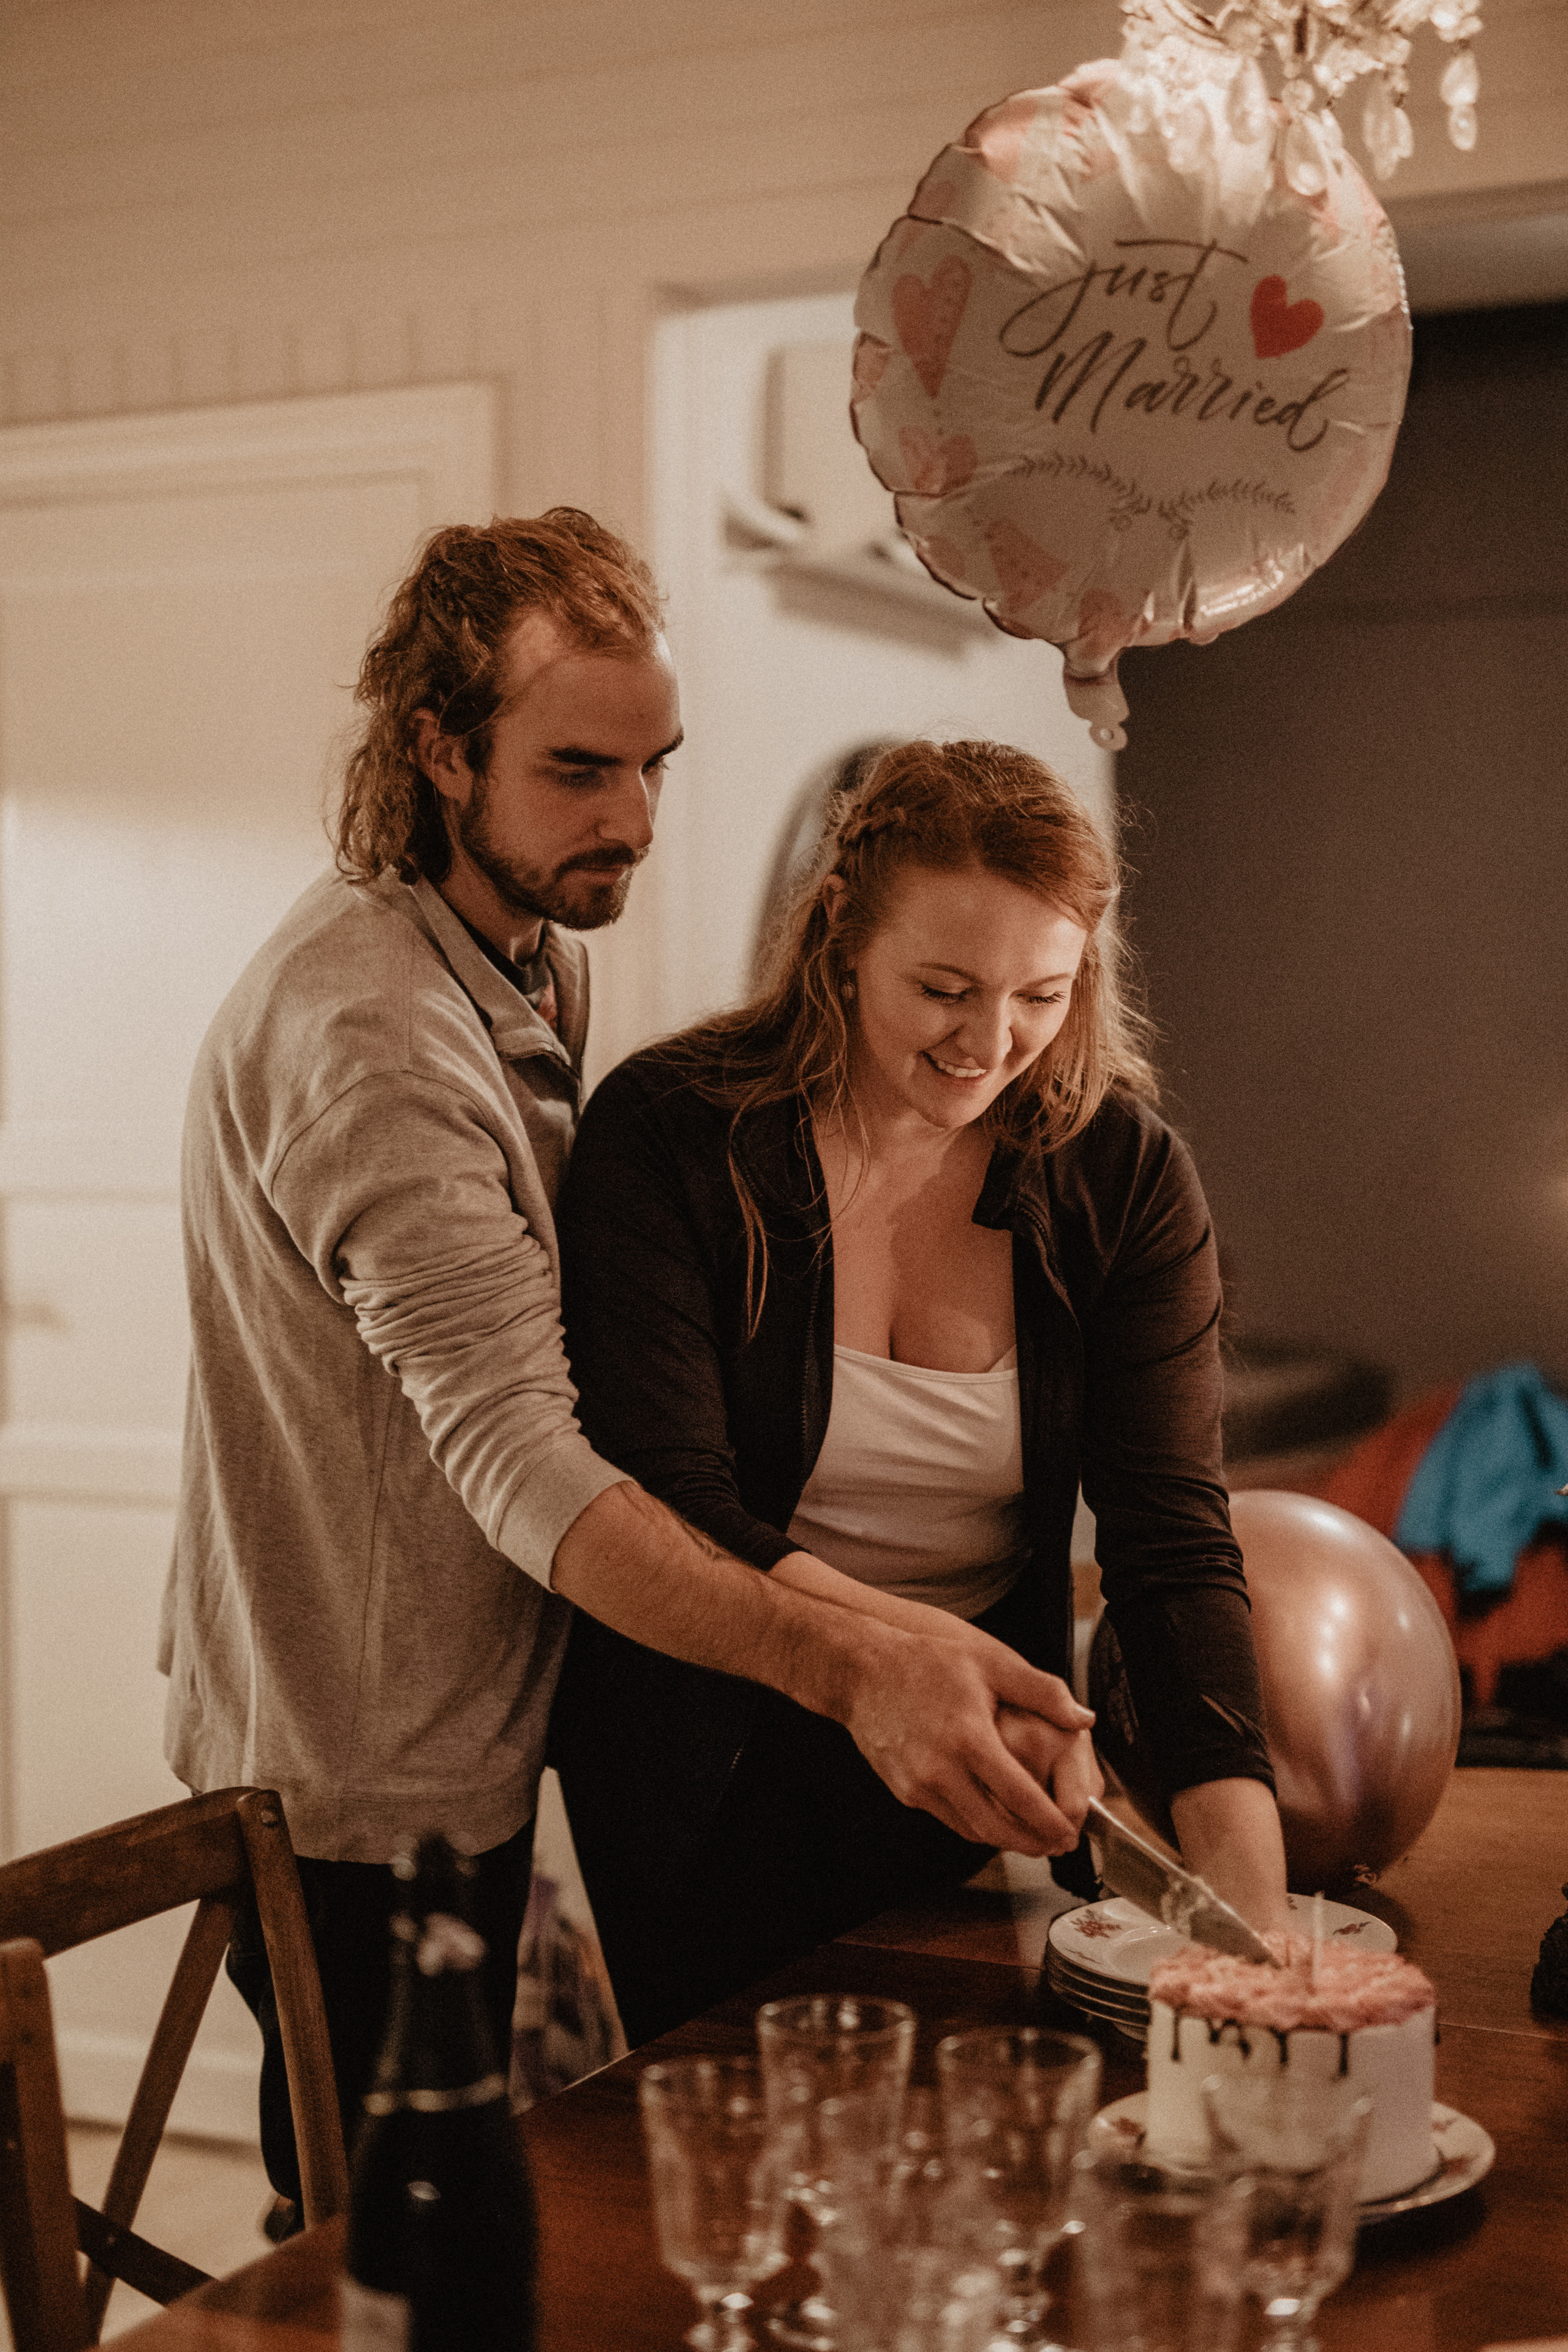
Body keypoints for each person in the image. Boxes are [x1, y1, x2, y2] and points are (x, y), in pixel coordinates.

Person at [160, 516, 1095, 2211]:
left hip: (480, 1723)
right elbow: (527, 1459)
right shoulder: (370, 1033)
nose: (639, 821)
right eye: (579, 769)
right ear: (440, 749)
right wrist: (847, 1666)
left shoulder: (525, 957)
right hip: (369, 1772)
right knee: (401, 2259)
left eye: (656, 764)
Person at [550, 737, 1291, 2048]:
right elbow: (670, 1504)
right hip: (702, 1777)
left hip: (966, 1786)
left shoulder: (1122, 1178)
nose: (989, 1044)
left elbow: (1173, 1549)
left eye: (1040, 997)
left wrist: (1252, 1920)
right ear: (837, 936)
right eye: (942, 989)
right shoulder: (667, 1134)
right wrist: (922, 1658)